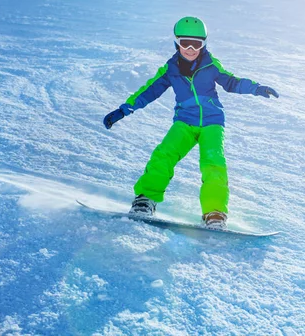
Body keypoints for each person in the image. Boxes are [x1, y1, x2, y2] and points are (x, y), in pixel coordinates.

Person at [103, 17, 279, 229]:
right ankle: (145, 200)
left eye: (197, 44)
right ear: (176, 42)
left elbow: (231, 82)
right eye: (185, 42)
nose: (190, 48)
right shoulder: (170, 69)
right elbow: (149, 91)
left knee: (213, 163)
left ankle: (214, 212)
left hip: (212, 122)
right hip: (184, 121)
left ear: (204, 44)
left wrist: (256, 88)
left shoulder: (211, 65)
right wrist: (124, 110)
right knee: (164, 154)